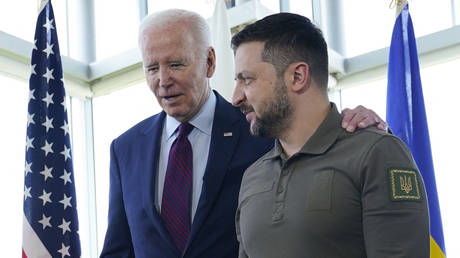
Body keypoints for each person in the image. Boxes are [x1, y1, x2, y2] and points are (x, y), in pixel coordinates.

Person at [100, 9, 387, 258]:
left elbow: (315, 127)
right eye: (152, 68)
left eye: (176, 64)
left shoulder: (263, 128)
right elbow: (119, 248)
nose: (163, 80)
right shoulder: (125, 149)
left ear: (210, 62)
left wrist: (358, 124)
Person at [231, 12, 430, 258]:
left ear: (297, 77)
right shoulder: (252, 176)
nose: (236, 97)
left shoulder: (376, 154)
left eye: (247, 80)